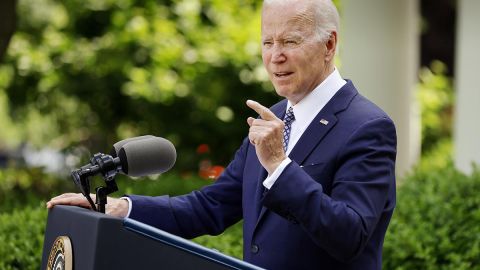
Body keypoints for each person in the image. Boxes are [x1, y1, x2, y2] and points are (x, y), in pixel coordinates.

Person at [47, 0, 397, 269]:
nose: (276, 56)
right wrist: (121, 208)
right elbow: (211, 207)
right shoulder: (274, 119)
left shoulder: (367, 127)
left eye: (290, 40)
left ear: (329, 45)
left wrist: (279, 166)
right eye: (267, 42)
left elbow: (350, 235)